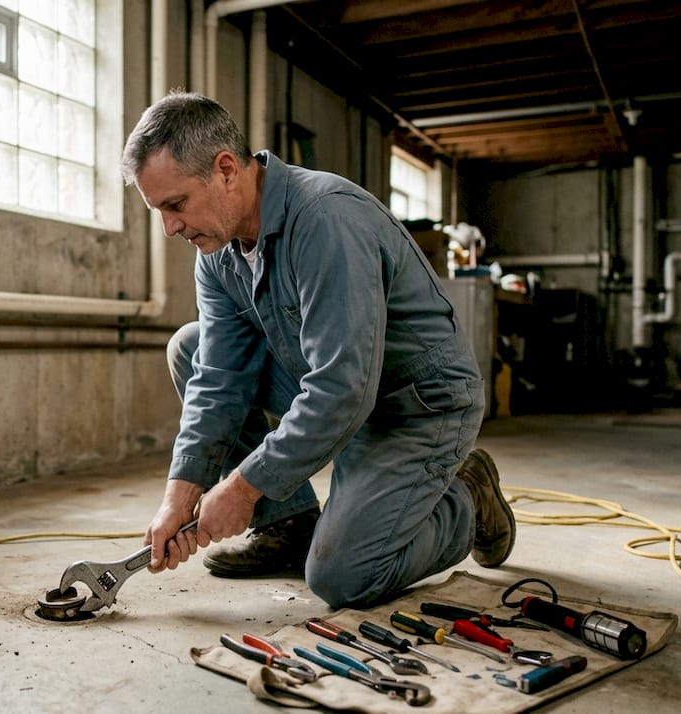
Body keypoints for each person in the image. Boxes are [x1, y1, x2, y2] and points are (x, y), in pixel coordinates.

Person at [120, 91, 515, 609]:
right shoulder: (217, 254)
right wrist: (182, 493)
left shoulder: (325, 219)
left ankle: (468, 497)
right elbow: (220, 376)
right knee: (191, 349)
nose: (170, 227)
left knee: (342, 578)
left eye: (175, 205)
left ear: (225, 171)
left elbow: (341, 388)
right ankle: (291, 525)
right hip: (342, 392)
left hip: (414, 406)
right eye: (160, 211)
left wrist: (242, 489)